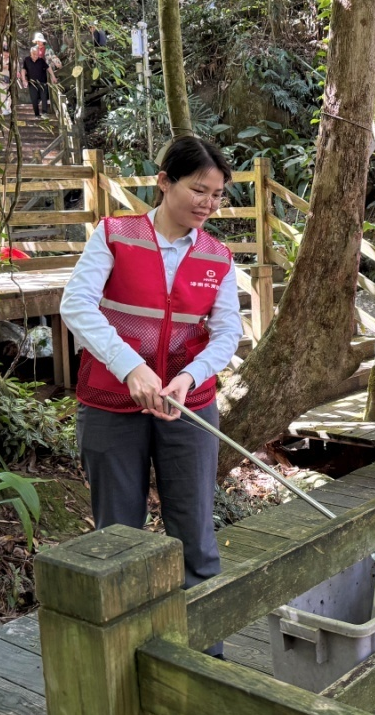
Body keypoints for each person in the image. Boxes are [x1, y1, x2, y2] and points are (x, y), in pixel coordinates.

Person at [60, 136, 240, 655]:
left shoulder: (218, 257)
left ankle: (206, 657)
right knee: (118, 534)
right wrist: (131, 367)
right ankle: (124, 654)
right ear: (164, 182)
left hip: (189, 404)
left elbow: (227, 333)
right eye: (198, 189)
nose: (208, 203)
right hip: (110, 404)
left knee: (196, 533)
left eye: (218, 194)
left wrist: (189, 378)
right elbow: (77, 305)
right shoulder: (115, 236)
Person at [20, 42, 56, 118]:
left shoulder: (41, 60)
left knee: (44, 97)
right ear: (31, 53)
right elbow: (23, 70)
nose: (36, 56)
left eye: (37, 54)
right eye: (34, 54)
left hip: (42, 82)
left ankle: (44, 113)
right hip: (32, 83)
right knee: (34, 99)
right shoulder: (27, 60)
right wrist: (23, 80)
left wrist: (53, 76)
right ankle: (36, 114)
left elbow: (48, 68)